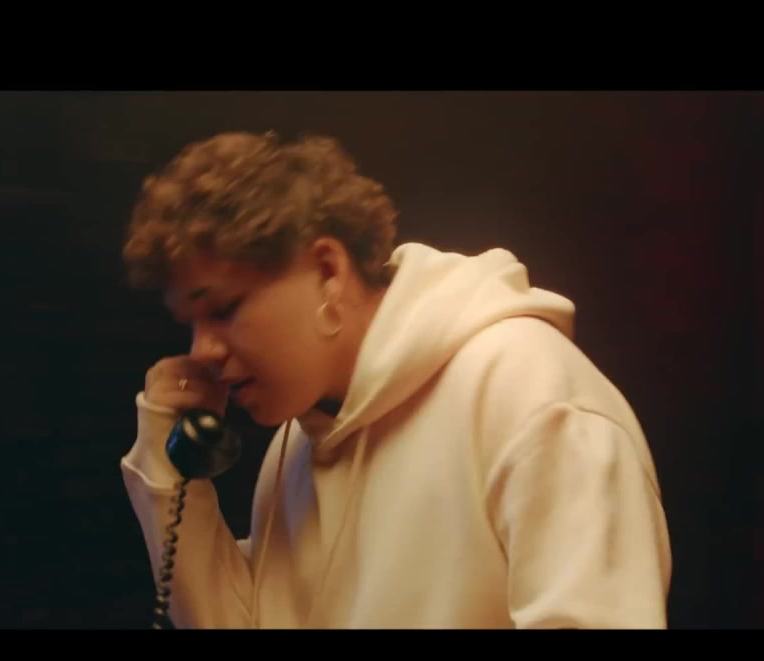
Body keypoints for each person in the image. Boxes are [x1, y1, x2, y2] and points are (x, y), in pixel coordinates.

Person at [118, 130, 672, 629]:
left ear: (328, 270)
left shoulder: (528, 391)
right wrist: (168, 468)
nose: (202, 351)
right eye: (191, 324)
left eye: (223, 309)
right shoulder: (299, 444)